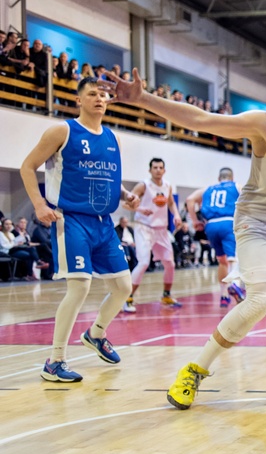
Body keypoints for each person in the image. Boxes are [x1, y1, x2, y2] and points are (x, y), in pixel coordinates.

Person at [103, 61, 266, 407]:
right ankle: (194, 370)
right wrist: (145, 99)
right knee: (260, 300)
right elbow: (202, 120)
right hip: (257, 225)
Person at [19, 77, 140, 382]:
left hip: (104, 224)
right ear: (79, 100)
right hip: (71, 219)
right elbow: (27, 166)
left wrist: (126, 195)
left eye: (103, 94)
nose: (100, 98)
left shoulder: (114, 137)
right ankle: (55, 360)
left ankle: (95, 334)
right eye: (92, 94)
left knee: (123, 288)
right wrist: (38, 204)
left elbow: (109, 177)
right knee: (80, 287)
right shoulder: (63, 130)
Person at [122, 158, 183, 312]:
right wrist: (140, 209)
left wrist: (176, 215)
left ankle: (166, 295)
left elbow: (170, 203)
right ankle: (127, 298)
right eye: (155, 167)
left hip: (161, 229)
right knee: (143, 263)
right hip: (144, 227)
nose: (158, 170)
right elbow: (126, 204)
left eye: (160, 167)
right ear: (150, 170)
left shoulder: (168, 185)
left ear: (164, 170)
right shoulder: (144, 185)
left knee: (170, 263)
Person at [185, 167, 244, 308]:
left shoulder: (207, 189)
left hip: (210, 226)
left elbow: (189, 199)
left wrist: (194, 221)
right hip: (228, 221)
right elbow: (250, 201)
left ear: (219, 178)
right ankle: (234, 285)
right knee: (234, 257)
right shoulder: (237, 186)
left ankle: (223, 296)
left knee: (222, 261)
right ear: (232, 177)